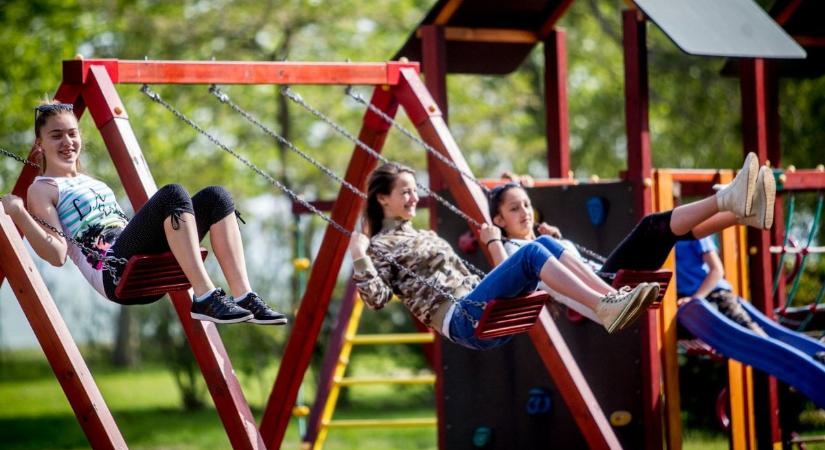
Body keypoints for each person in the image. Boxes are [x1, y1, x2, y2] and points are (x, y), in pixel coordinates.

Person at [0, 101, 286, 325]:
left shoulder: (93, 182)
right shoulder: (43, 188)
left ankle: (245, 296)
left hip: (140, 262)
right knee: (172, 193)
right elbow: (56, 255)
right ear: (40, 145)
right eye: (56, 136)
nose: (67, 142)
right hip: (114, 271)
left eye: (72, 133)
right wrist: (19, 212)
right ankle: (205, 296)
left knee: (217, 197)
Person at [348, 163, 659, 351]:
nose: (414, 197)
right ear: (382, 198)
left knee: (544, 243)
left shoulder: (423, 235)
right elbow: (375, 299)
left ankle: (612, 298)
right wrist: (359, 254)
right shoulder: (379, 246)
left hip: (478, 304)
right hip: (462, 318)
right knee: (532, 252)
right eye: (405, 191)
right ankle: (605, 307)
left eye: (414, 190)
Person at [486, 152, 774, 329]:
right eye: (514, 208)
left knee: (671, 233)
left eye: (526, 205)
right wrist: (491, 241)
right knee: (652, 225)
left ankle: (743, 214)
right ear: (499, 221)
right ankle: (725, 200)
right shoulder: (515, 250)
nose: (524, 211)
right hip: (604, 293)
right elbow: (505, 279)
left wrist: (558, 240)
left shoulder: (541, 244)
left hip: (608, 284)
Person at [674, 236, 766, 335]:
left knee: (745, 328)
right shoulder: (666, 238)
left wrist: (695, 298)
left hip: (714, 293)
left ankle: (767, 347)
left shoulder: (696, 236)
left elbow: (717, 270)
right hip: (687, 297)